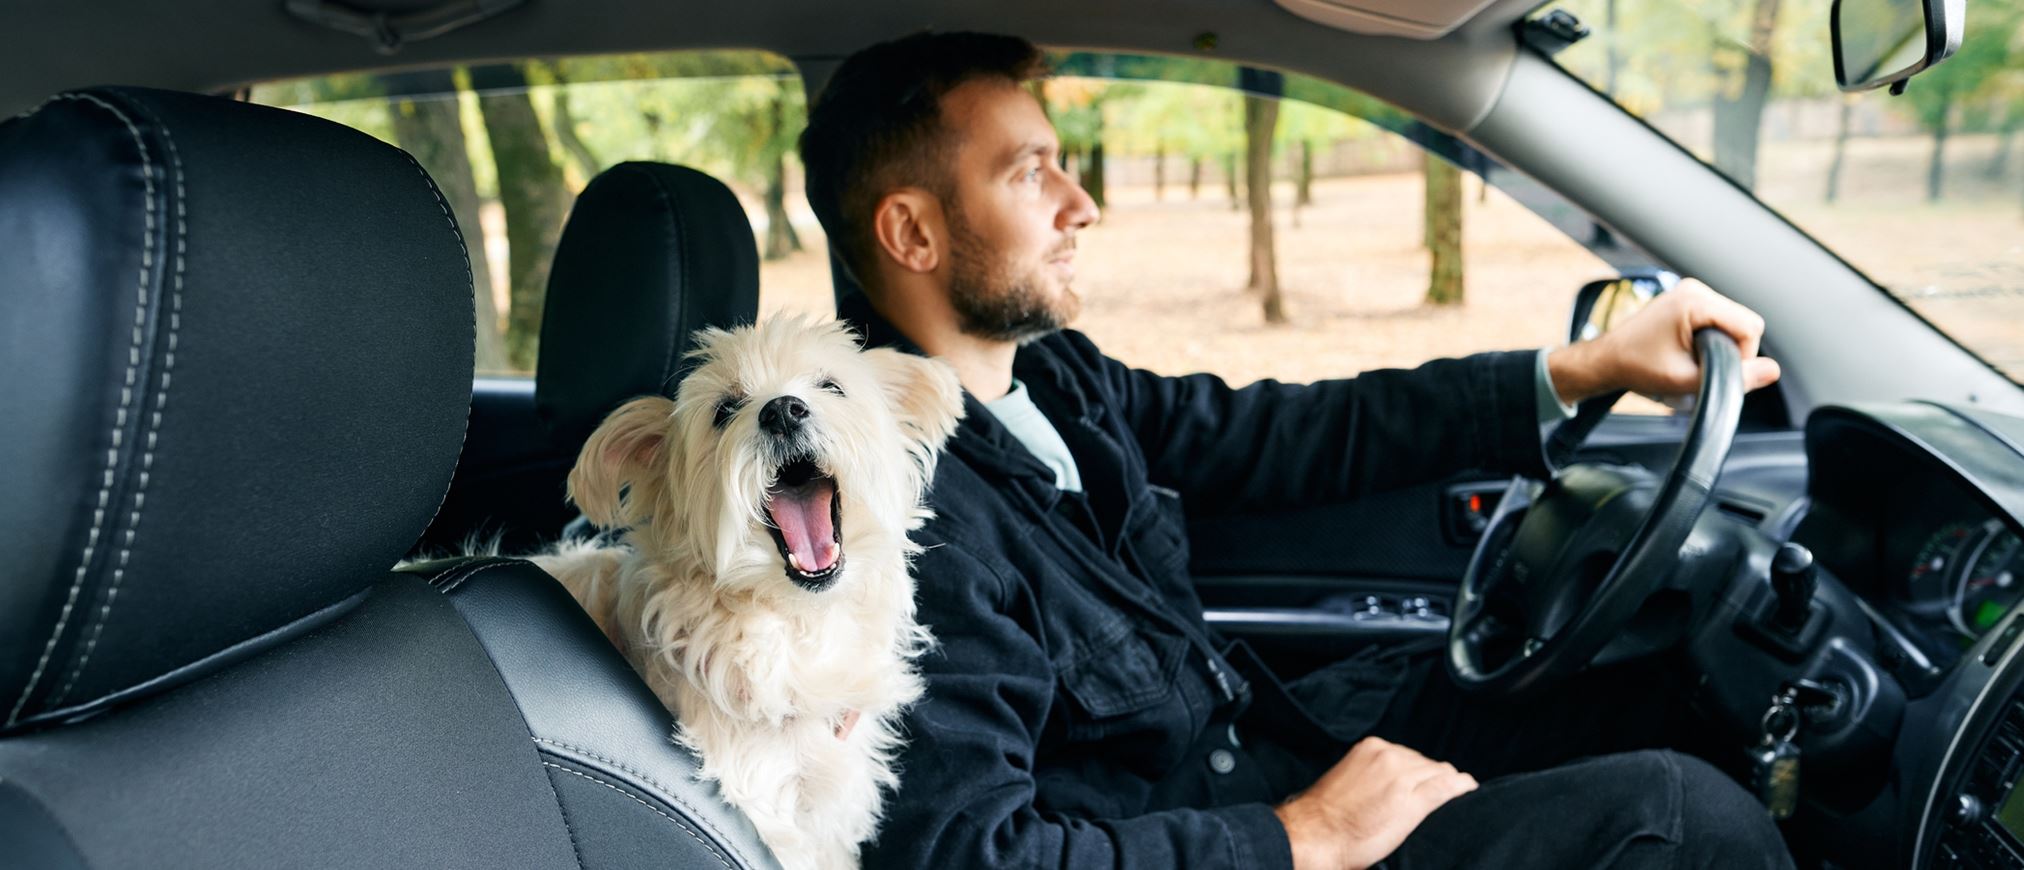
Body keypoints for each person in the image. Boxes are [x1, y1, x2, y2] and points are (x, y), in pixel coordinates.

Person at [797, 31, 1793, 870]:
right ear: (912, 233)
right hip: (1229, 832)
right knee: (1684, 818)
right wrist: (1294, 837)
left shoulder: (1056, 381)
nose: (1081, 203)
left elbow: (1289, 433)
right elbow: (976, 854)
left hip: (1261, 750)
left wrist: (1586, 366)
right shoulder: (900, 517)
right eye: (1029, 172)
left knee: (1649, 687)